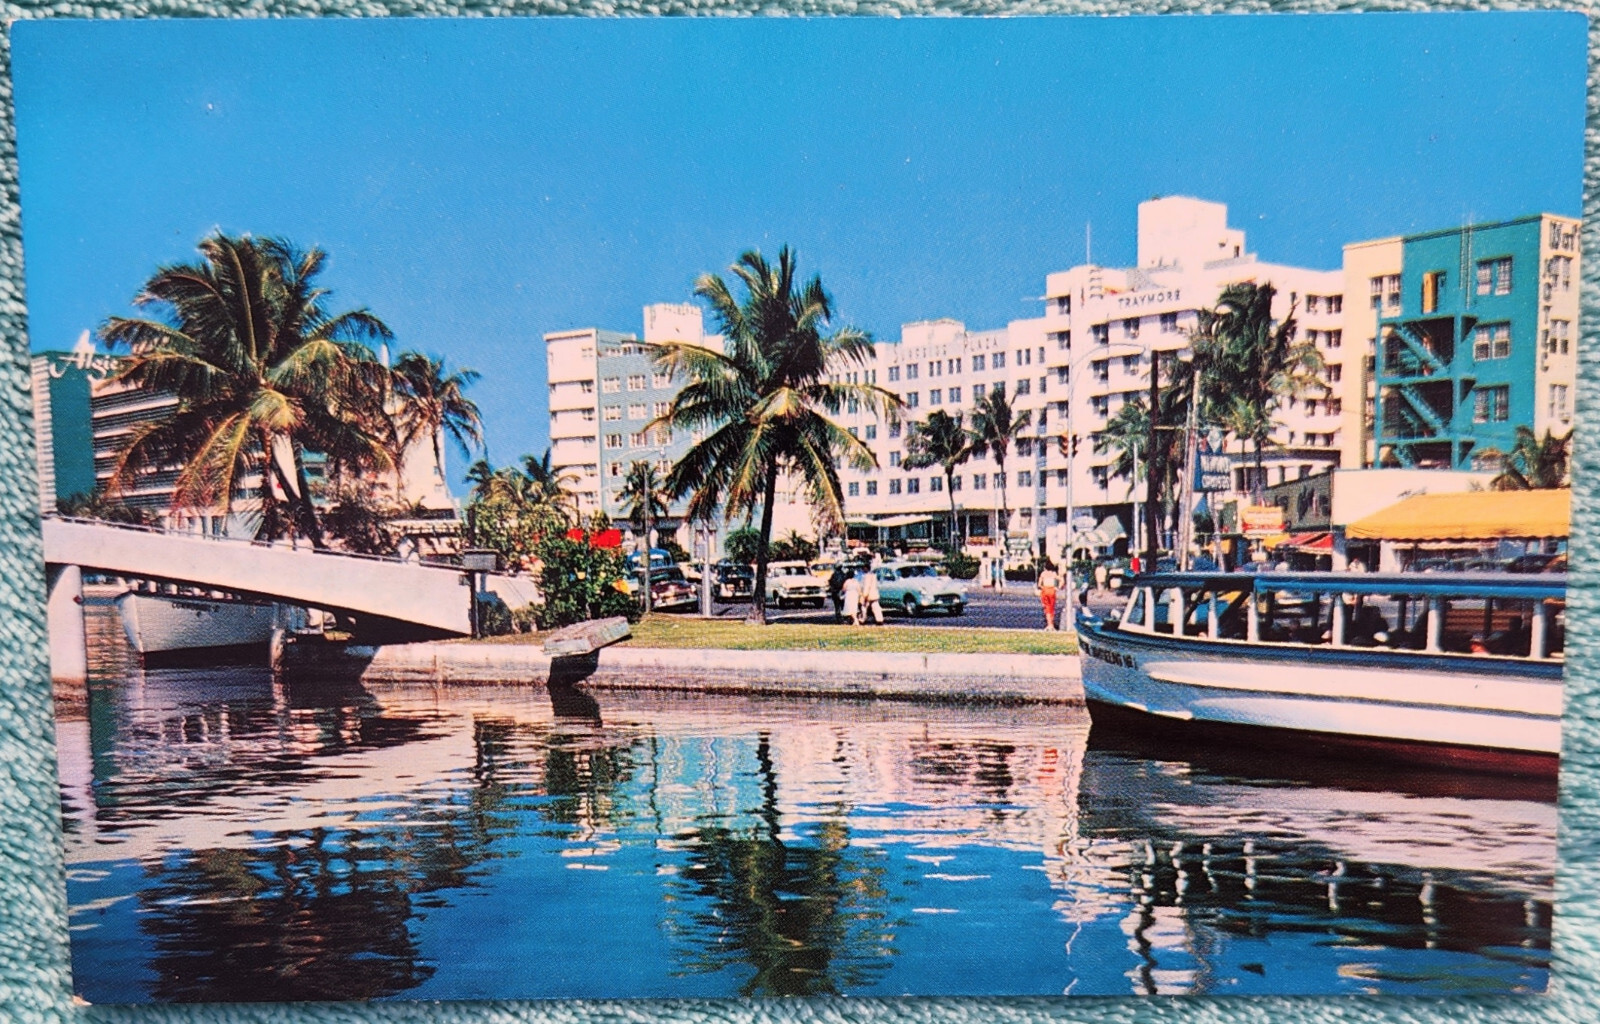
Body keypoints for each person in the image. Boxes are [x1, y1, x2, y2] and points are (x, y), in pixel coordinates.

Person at [1036, 561, 1062, 631]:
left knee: (1047, 608)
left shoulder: (1043, 574)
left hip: (1045, 590)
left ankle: (1049, 624)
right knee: (1052, 608)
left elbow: (1039, 584)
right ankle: (1051, 625)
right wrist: (1058, 587)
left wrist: (1042, 587)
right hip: (1052, 590)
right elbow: (1062, 580)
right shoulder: (1054, 574)